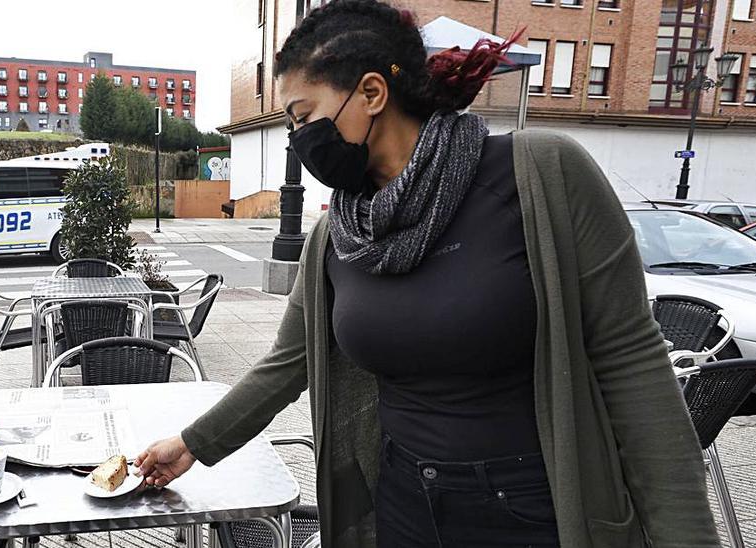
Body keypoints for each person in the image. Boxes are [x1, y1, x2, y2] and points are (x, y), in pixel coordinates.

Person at [134, 1, 720, 546]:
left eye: (303, 115)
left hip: (536, 507)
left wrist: (686, 536)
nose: (298, 140)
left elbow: (632, 363)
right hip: (404, 502)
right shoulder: (341, 231)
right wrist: (192, 444)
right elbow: (289, 364)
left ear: (370, 93)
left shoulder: (540, 173)